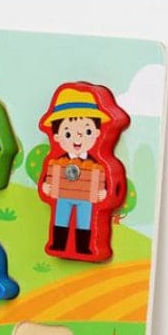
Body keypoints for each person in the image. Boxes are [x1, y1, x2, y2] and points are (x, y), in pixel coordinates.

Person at [38, 84, 129, 261]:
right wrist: (46, 187)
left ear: (97, 132)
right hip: (63, 196)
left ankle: (84, 247)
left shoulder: (96, 165)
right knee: (61, 219)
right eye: (68, 134)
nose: (77, 138)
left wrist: (104, 192)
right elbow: (48, 179)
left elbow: (103, 181)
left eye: (86, 131)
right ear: (56, 136)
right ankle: (58, 244)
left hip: (86, 199)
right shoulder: (56, 163)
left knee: (84, 221)